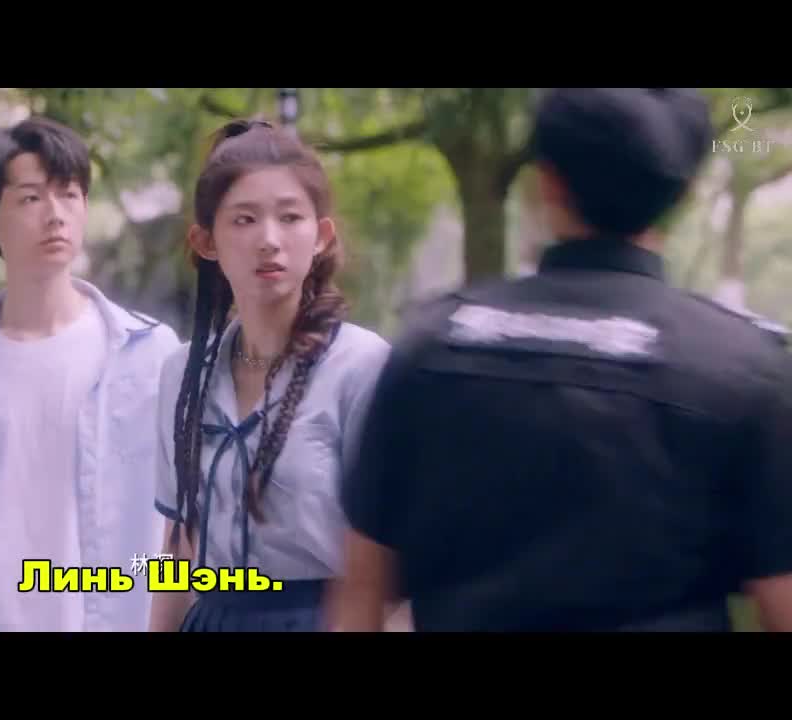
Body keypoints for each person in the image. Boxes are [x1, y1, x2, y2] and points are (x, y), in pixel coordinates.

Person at [335, 88, 792, 632]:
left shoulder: (430, 346)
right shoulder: (743, 372)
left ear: (547, 181)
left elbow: (361, 591)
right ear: (683, 192)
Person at [0, 116, 180, 632]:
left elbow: (181, 523)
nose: (55, 215)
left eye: (69, 195)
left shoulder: (151, 353)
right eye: (30, 198)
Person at [146, 119, 393, 632]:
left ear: (321, 236)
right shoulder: (182, 374)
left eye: (290, 217)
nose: (269, 240)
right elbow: (178, 552)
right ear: (206, 241)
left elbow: (389, 563)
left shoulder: (362, 367)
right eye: (244, 220)